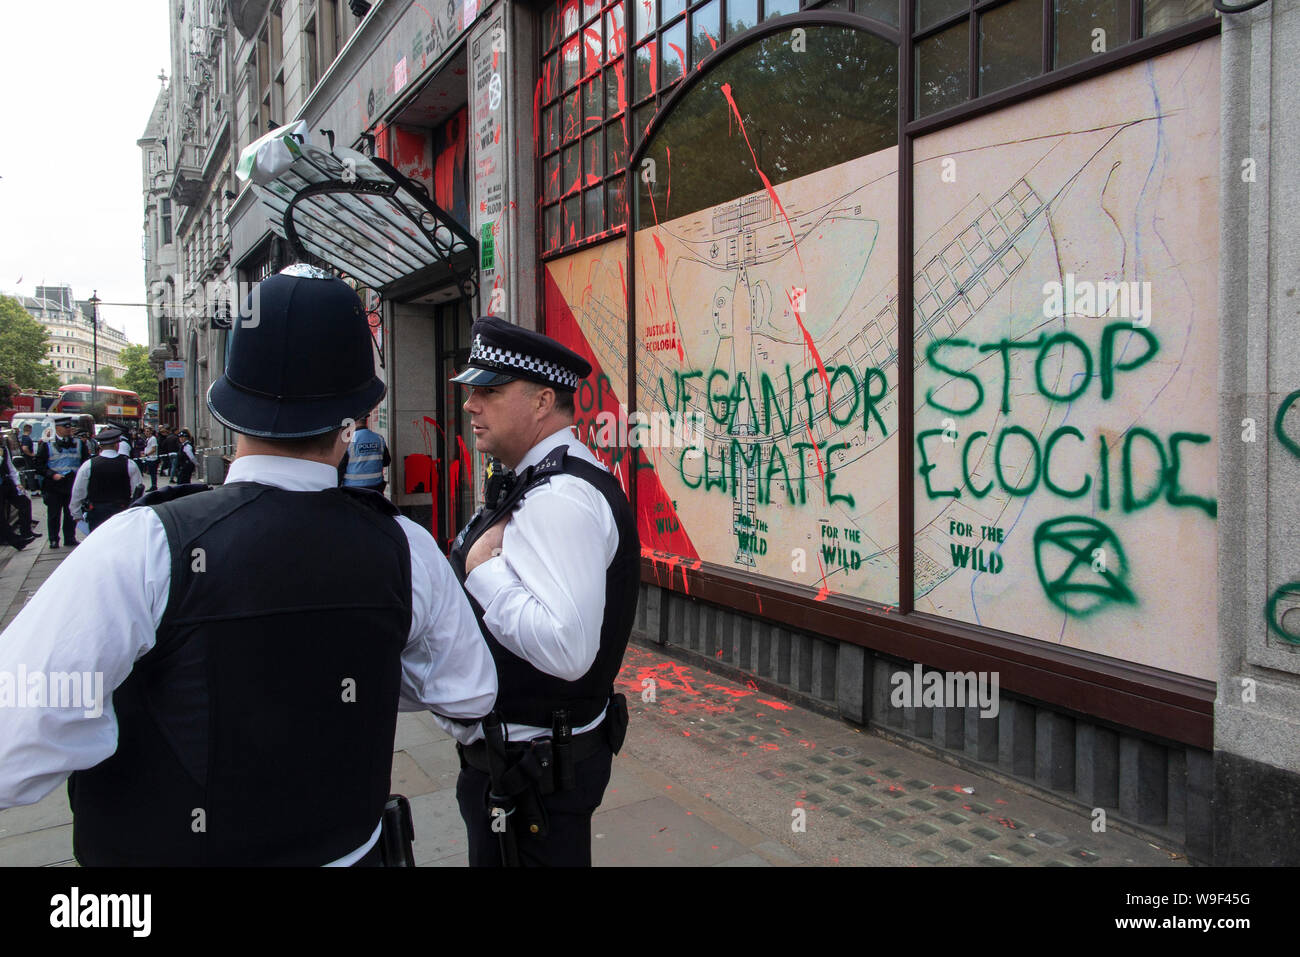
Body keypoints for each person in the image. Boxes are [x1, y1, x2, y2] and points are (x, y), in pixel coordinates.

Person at [0, 265, 497, 866]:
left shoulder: (145, 544)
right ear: (354, 421)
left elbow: (15, 741)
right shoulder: (404, 546)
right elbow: (468, 694)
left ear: (227, 410)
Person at [446, 315, 639, 868]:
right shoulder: (535, 476)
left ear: (541, 401)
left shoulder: (560, 497)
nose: (470, 405)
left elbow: (568, 648)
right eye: (472, 391)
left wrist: (483, 569)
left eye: (489, 390)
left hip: (533, 780)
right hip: (519, 769)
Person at [69, 426, 145, 533]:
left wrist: (76, 513)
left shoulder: (89, 465)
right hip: (122, 511)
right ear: (116, 445)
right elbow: (138, 491)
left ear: (100, 446)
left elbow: (78, 492)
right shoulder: (129, 464)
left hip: (96, 512)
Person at [35, 416, 90, 549]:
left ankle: (70, 538)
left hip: (72, 483)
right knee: (54, 514)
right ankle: (53, 539)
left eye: (69, 426)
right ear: (57, 428)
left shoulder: (78, 443)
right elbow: (39, 465)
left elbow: (85, 462)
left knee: (71, 512)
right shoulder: (47, 444)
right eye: (66, 427)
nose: (69, 429)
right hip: (54, 485)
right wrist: (52, 475)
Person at [339, 414, 391, 493]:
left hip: (353, 489)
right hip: (376, 488)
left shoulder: (348, 441)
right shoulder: (379, 438)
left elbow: (341, 467)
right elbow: (387, 461)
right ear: (366, 421)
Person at [0, 439, 37, 549]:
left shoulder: (3, 448)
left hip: (6, 483)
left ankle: (26, 533)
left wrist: (17, 484)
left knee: (24, 503)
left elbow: (10, 467)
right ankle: (16, 542)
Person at [140, 426, 159, 492]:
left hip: (152, 459)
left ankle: (154, 486)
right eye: (145, 431)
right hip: (148, 458)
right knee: (151, 473)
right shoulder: (148, 439)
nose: (146, 433)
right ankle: (153, 485)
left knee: (153, 473)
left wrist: (146, 454)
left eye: (148, 431)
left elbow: (154, 449)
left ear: (151, 432)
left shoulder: (153, 439)